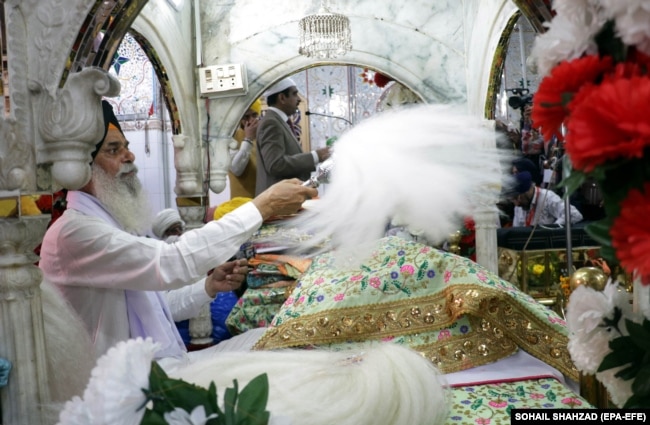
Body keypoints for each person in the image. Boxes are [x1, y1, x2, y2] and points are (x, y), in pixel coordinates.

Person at [38, 99, 318, 363]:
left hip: (164, 363)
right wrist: (263, 206)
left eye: (126, 146)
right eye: (113, 150)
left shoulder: (109, 223)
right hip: (126, 384)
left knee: (273, 338)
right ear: (81, 169)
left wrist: (209, 287)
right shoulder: (73, 232)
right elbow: (173, 261)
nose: (130, 155)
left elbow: (160, 307)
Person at [255, 77, 331, 195]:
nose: (299, 99)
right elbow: (275, 165)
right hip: (277, 201)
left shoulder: (279, 121)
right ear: (282, 98)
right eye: (295, 94)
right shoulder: (271, 122)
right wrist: (315, 156)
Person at [509, 171, 583, 227]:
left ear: (527, 191)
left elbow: (574, 215)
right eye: (513, 200)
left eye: (517, 198)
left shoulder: (548, 197)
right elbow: (516, 228)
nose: (516, 204)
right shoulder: (519, 205)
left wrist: (552, 230)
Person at [229, 99, 262, 198]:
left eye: (254, 115)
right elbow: (236, 169)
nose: (251, 120)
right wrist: (248, 139)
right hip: (241, 203)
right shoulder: (231, 137)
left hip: (262, 199)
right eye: (246, 116)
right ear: (239, 118)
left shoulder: (262, 136)